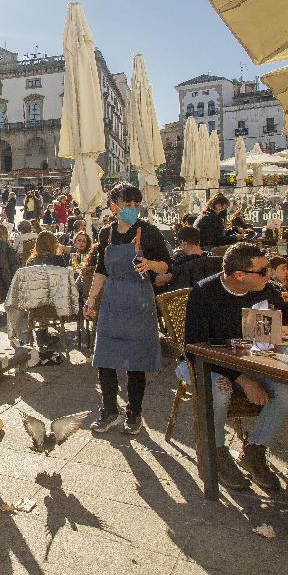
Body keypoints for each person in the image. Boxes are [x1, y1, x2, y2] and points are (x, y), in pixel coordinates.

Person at [180, 243, 288, 489]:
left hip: (250, 360)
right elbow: (195, 348)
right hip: (202, 362)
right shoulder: (205, 292)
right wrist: (242, 379)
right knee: (219, 390)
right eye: (263, 271)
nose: (269, 274)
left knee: (286, 392)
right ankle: (215, 453)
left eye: (268, 269)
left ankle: (254, 450)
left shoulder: (263, 290)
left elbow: (282, 327)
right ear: (239, 275)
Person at [83, 183, 171, 435]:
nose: (132, 209)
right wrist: (90, 300)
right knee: (105, 359)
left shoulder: (149, 232)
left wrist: (151, 264)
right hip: (112, 301)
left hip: (139, 302)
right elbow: (101, 271)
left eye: (135, 205)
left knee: (136, 360)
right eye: (127, 204)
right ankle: (109, 410)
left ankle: (134, 413)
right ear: (114, 206)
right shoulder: (105, 234)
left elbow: (167, 266)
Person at [155, 226, 216, 293]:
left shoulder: (181, 263)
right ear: (198, 241)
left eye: (179, 243)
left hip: (183, 300)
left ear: (184, 243)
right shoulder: (212, 258)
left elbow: (159, 281)